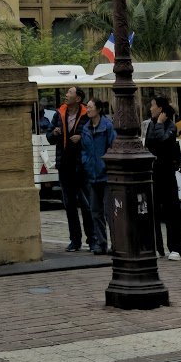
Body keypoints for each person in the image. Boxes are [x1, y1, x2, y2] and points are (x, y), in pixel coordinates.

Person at [50, 87, 96, 253]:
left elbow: (93, 133)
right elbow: (49, 137)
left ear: (78, 98)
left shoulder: (86, 114)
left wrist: (81, 137)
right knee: (69, 205)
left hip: (81, 165)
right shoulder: (58, 113)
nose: (66, 95)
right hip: (64, 165)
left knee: (86, 204)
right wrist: (54, 133)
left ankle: (92, 239)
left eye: (70, 92)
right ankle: (74, 240)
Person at [144, 99, 181, 259]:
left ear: (160, 109)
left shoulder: (171, 126)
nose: (150, 108)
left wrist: (160, 124)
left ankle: (176, 248)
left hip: (167, 173)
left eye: (152, 105)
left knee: (171, 211)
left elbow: (163, 140)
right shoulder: (150, 124)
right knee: (153, 211)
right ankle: (157, 245)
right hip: (154, 172)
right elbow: (149, 144)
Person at [78, 97, 114, 256]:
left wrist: (106, 165)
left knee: (109, 212)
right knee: (95, 211)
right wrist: (86, 162)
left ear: (98, 109)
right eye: (87, 107)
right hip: (92, 175)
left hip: (105, 176)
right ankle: (101, 243)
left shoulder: (107, 127)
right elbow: (84, 150)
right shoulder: (86, 128)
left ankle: (116, 243)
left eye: (91, 107)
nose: (88, 110)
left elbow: (112, 146)